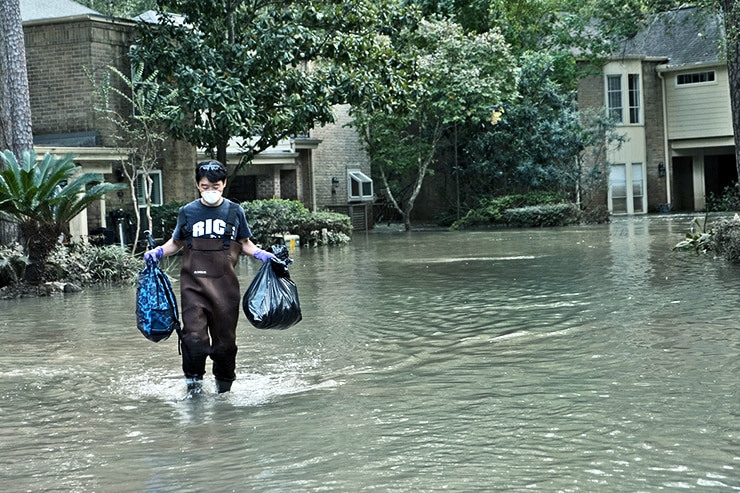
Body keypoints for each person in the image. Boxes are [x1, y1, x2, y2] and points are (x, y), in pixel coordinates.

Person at [144, 160, 276, 394]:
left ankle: (223, 394)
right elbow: (176, 243)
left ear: (224, 184)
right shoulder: (188, 212)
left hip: (226, 290)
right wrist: (158, 252)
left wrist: (263, 255)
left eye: (215, 186)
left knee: (225, 346)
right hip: (193, 288)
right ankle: (193, 390)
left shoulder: (235, 212)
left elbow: (245, 244)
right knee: (194, 341)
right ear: (197, 185)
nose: (210, 191)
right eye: (205, 186)